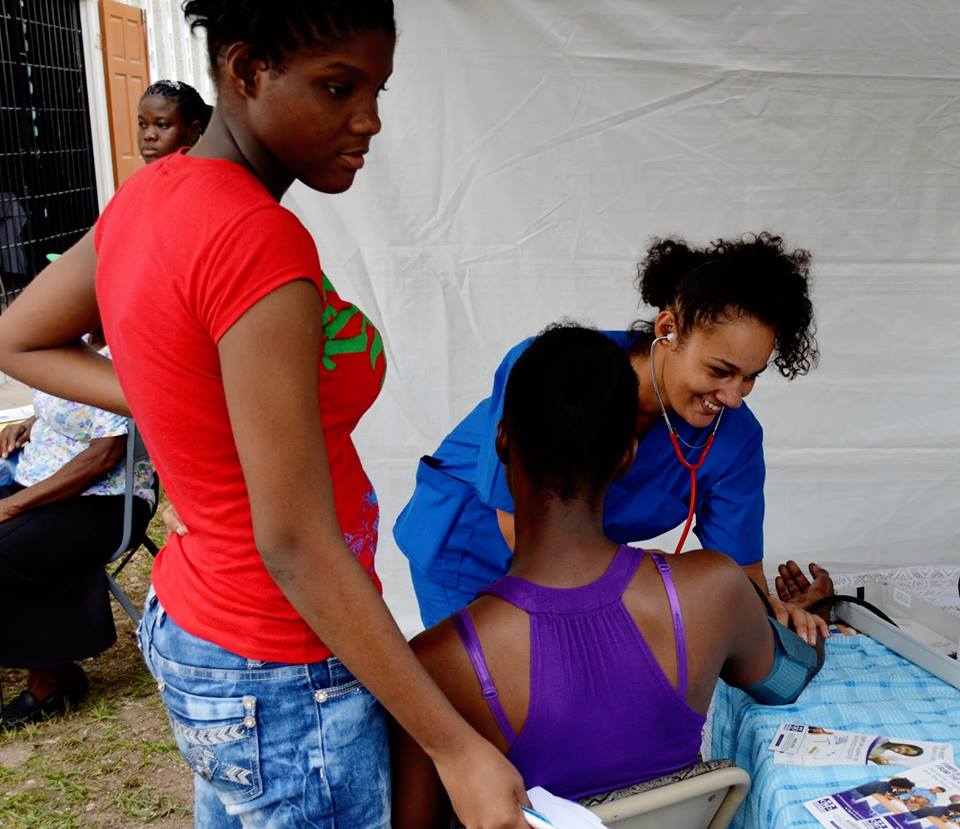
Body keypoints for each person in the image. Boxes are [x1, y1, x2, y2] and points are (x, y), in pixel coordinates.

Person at [0, 2, 532, 828]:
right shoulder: (255, 240)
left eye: (379, 90)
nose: (370, 120)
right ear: (248, 70)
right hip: (283, 660)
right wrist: (453, 746)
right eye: (339, 88)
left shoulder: (156, 194)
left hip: (204, 627)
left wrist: (188, 398)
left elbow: (19, 336)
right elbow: (294, 542)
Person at [391, 325, 825, 828]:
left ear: (502, 443)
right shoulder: (715, 590)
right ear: (628, 457)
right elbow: (786, 680)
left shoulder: (432, 666)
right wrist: (815, 615)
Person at [395, 233, 830, 642]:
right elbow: (528, 537)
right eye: (720, 371)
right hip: (470, 549)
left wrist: (773, 616)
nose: (733, 397)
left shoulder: (736, 440)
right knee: (482, 687)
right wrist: (660, 592)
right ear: (668, 328)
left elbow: (740, 575)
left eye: (750, 377)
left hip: (577, 572)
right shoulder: (555, 368)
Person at [0, 327, 155, 729]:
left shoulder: (127, 353)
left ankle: (54, 676)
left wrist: (12, 506)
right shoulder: (76, 339)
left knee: (8, 546)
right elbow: (73, 404)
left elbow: (104, 454)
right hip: (38, 479)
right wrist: (30, 423)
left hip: (107, 499)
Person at [137, 80, 212, 164]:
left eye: (161, 125)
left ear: (193, 131)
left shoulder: (209, 171)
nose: (147, 135)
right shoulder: (142, 173)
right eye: (142, 124)